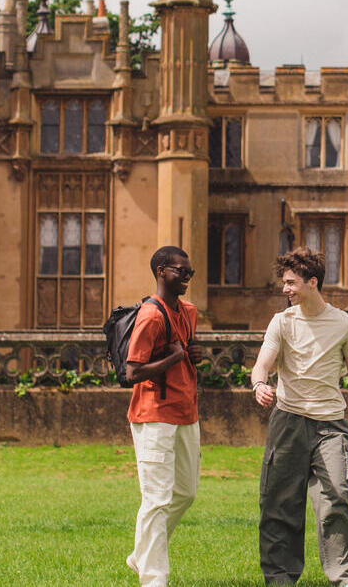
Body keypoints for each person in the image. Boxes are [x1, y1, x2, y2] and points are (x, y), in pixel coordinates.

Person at [251, 248, 348, 587]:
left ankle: (345, 577)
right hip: (288, 421)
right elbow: (263, 364)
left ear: (312, 282)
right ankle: (280, 577)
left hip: (331, 425)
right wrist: (259, 384)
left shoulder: (345, 324)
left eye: (291, 283)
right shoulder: (282, 322)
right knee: (279, 501)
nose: (285, 289)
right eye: (284, 283)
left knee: (337, 496)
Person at [123, 246, 206, 587]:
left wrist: (191, 355)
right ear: (161, 272)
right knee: (157, 497)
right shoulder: (151, 316)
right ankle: (154, 578)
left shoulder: (188, 311)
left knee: (185, 493)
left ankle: (142, 554)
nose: (187, 277)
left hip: (186, 412)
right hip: (153, 414)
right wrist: (173, 360)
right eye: (180, 271)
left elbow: (187, 350)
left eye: (190, 272)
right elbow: (131, 373)